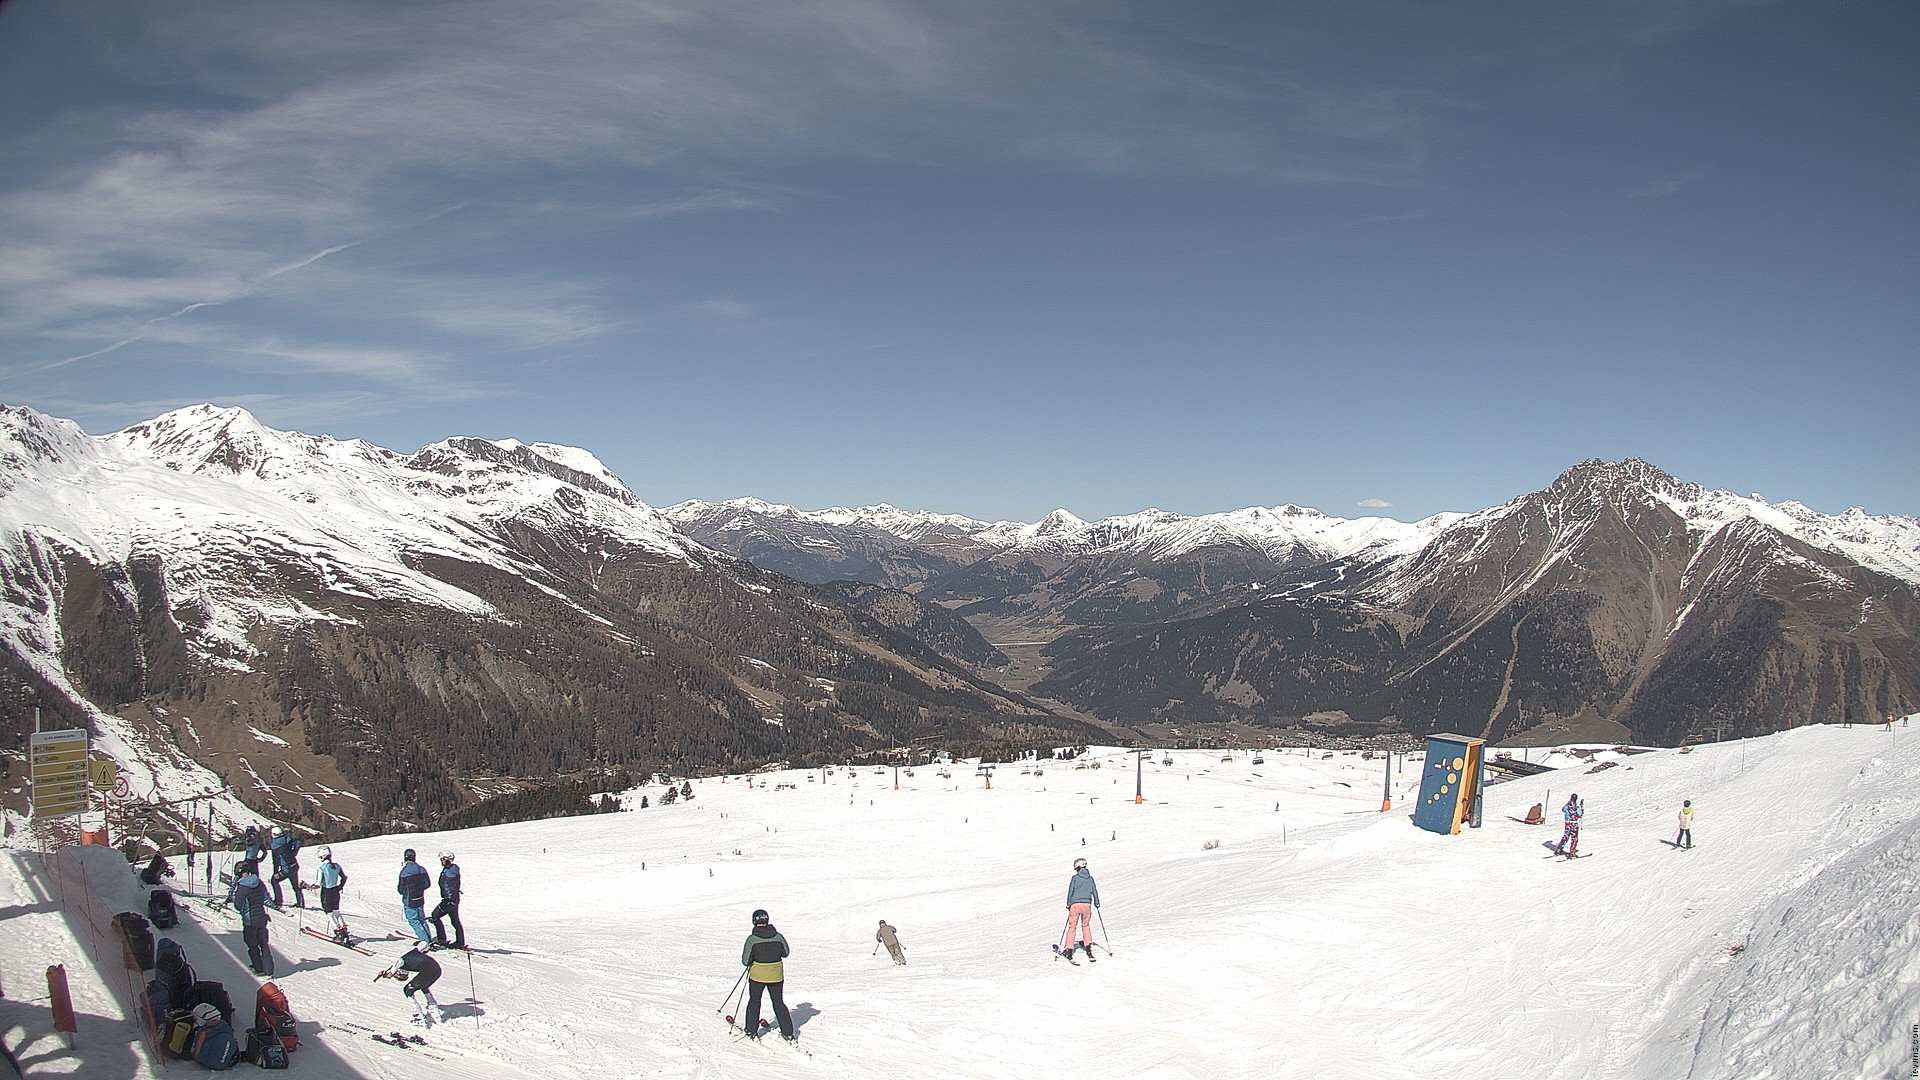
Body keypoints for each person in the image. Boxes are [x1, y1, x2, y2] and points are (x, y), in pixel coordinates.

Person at [740, 908, 795, 1041]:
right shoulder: (778, 936)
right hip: (776, 976)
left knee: (754, 1001)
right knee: (778, 1002)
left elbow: (745, 961)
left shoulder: (752, 939)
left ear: (754, 921)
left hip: (757, 977)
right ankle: (788, 1032)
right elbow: (786, 953)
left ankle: (751, 1030)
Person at [227, 858, 274, 976]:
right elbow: (266, 898)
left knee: (252, 944)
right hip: (262, 917)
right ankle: (269, 969)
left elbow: (238, 905)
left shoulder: (243, 887)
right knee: (264, 944)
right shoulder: (259, 882)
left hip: (250, 921)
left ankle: (259, 968)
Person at [381, 939, 444, 1026]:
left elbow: (399, 961)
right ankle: (435, 1013)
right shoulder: (415, 951)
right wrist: (426, 949)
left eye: (403, 976)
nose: (406, 976)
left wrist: (391, 973)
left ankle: (419, 1018)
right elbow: (424, 943)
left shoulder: (403, 962)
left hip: (428, 970)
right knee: (423, 986)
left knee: (407, 990)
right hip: (437, 969)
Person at [1060, 857, 1100, 961]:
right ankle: (1088, 947)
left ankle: (1069, 950)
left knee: (1072, 927)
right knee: (1085, 925)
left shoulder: (1075, 878)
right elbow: (1094, 891)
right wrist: (1096, 902)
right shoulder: (1090, 878)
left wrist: (1068, 904)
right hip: (1087, 905)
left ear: (1077, 867)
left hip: (1075, 905)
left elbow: (1071, 891)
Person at [431, 851, 465, 950]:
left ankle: (441, 939)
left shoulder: (450, 873)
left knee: (435, 916)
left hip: (449, 901)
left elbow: (452, 887)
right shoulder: (450, 869)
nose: (441, 861)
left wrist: (450, 899)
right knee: (455, 920)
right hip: (453, 900)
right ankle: (460, 942)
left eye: (443, 859)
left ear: (448, 860)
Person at [398, 849, 432, 943]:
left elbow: (401, 889)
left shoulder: (404, 872)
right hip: (420, 898)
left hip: (410, 900)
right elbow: (427, 884)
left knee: (413, 920)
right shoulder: (422, 869)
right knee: (421, 919)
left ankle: (424, 941)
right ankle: (427, 938)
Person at [316, 847, 350, 941]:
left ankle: (338, 933)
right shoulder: (337, 866)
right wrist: (340, 886)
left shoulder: (322, 868)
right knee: (336, 912)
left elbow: (318, 884)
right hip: (335, 891)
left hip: (326, 892)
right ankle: (344, 931)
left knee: (329, 913)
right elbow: (344, 877)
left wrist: (306, 886)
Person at [268, 829, 304, 909]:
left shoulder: (275, 846)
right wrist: (294, 852)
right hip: (294, 866)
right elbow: (298, 842)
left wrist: (275, 872)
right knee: (296, 886)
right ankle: (300, 904)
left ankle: (278, 901)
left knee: (274, 881)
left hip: (286, 870)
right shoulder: (288, 839)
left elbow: (276, 861)